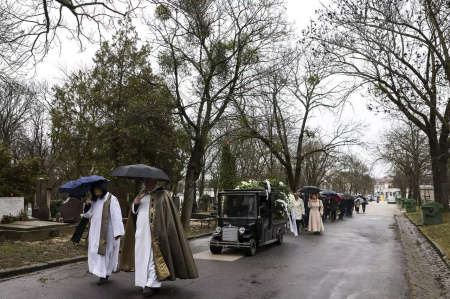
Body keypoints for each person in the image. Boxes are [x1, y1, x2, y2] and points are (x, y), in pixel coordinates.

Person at [121, 178, 198, 296]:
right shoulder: (141, 194)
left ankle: (152, 285)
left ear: (155, 181)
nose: (145, 183)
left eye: (147, 181)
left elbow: (168, 217)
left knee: (153, 258)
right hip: (141, 233)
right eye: (144, 181)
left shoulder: (163, 195)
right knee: (143, 258)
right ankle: (145, 282)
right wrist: (135, 205)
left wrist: (163, 232)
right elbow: (134, 214)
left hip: (156, 235)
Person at [83, 181, 124, 285]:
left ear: (103, 188)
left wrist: (118, 232)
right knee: (94, 251)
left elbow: (116, 216)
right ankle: (95, 269)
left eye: (98, 189)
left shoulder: (111, 199)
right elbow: (87, 215)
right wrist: (87, 205)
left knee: (104, 253)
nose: (97, 192)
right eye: (95, 190)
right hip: (95, 231)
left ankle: (104, 274)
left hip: (107, 232)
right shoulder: (95, 200)